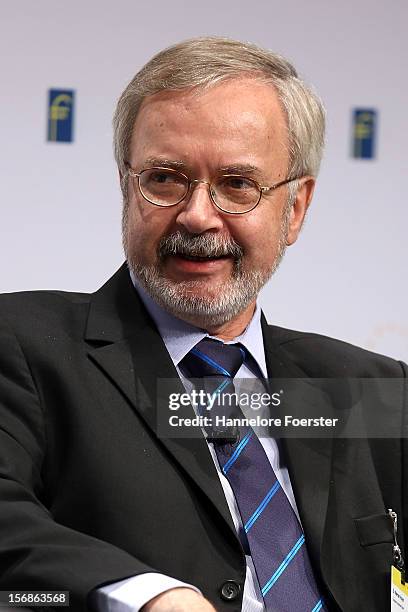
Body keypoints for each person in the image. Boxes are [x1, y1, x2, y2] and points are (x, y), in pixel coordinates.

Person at [0, 36, 406, 612]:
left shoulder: (375, 388)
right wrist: (148, 597)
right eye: (164, 178)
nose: (196, 214)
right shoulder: (22, 344)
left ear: (295, 209)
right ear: (125, 187)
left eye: (237, 184)